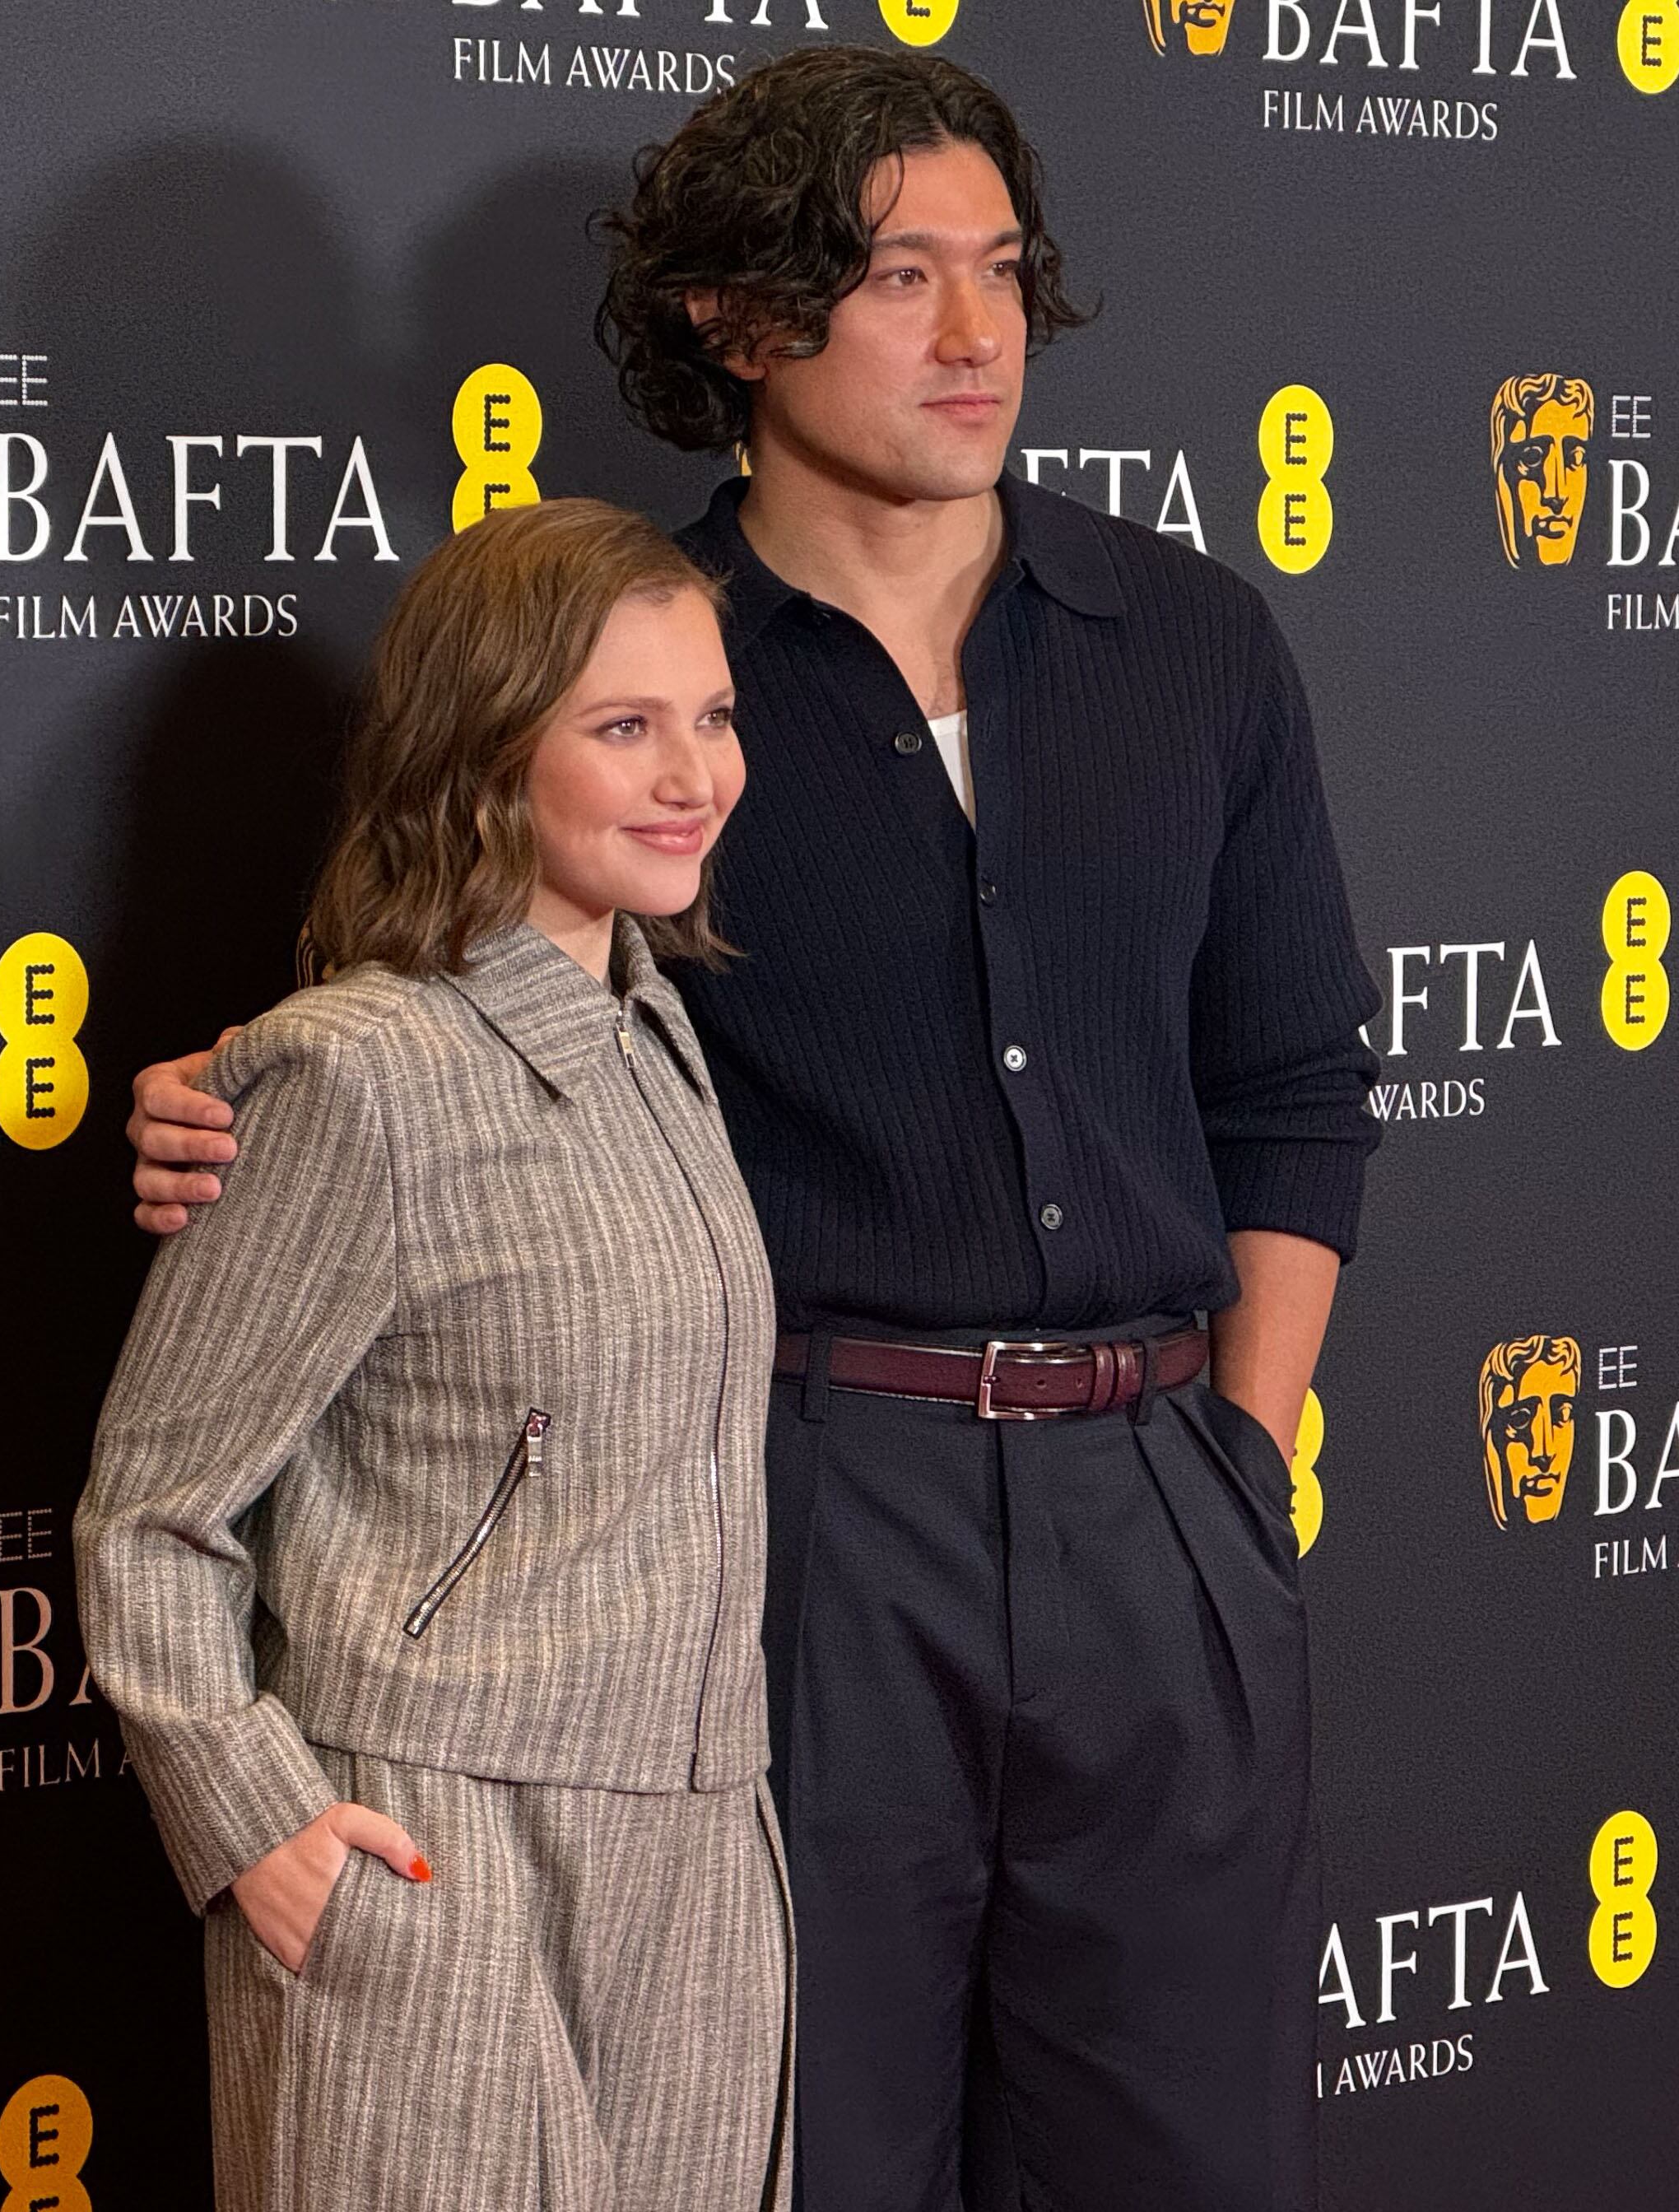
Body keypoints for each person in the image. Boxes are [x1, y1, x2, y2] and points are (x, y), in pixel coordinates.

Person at [130, 49, 1375, 2210]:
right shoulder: (637, 685)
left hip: (1163, 1512)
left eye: (999, 273)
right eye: (899, 278)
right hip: (796, 1533)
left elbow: (1290, 1097)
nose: (976, 338)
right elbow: (439, 1021)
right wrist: (209, 1098)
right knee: (808, 2155)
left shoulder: (1193, 644)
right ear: (731, 314)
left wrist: (1234, 1464)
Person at [77, 499, 790, 2212]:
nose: (692, 773)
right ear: (482, 753)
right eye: (623, 726)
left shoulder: (657, 1030)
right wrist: (259, 1826)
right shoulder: (361, 1077)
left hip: (696, 1865)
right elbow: (148, 1518)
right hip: (436, 1854)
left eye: (712, 716)